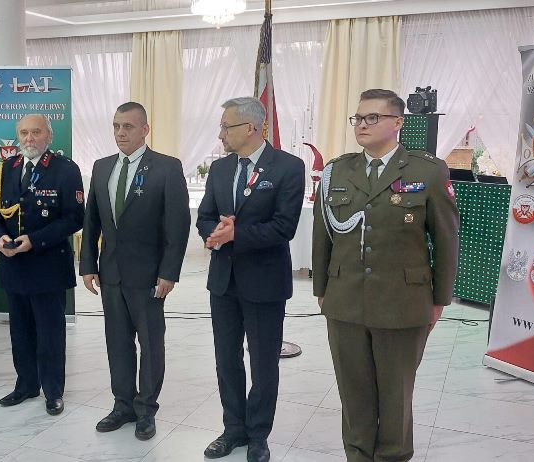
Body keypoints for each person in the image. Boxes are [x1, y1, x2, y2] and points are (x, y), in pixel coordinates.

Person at [312, 89, 458, 462]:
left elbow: (446, 239)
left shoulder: (427, 171)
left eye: (372, 118)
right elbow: (322, 237)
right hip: (345, 300)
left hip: (402, 302)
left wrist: (439, 299)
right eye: (358, 118)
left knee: (396, 395)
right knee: (354, 394)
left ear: (398, 122)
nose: (362, 124)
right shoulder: (337, 170)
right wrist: (322, 290)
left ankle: (393, 456)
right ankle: (358, 455)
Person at [196, 96, 305, 462]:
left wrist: (236, 234)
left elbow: (284, 227)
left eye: (226, 127)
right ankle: (233, 429)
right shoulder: (220, 169)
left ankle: (258, 435)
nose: (221, 134)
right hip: (223, 282)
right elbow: (205, 216)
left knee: (263, 364)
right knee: (226, 360)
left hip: (265, 282)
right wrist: (214, 233)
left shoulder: (288, 167)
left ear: (250, 128)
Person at [80, 102, 190, 440]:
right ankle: (123, 404)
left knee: (150, 344)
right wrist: (88, 265)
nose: (120, 133)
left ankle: (146, 409)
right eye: (116, 126)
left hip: (149, 275)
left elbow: (178, 225)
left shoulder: (167, 168)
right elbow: (92, 221)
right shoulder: (102, 167)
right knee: (117, 342)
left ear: (145, 129)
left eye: (128, 126)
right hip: (111, 273)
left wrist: (169, 272)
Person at [0, 114, 84, 416]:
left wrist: (35, 240)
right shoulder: (6, 169)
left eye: (36, 132)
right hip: (14, 266)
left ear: (49, 136)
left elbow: (74, 218)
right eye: (24, 133)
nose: (29, 138)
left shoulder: (65, 169)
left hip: (48, 267)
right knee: (20, 332)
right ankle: (26, 384)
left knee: (50, 334)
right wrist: (0, 239)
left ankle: (53, 391)